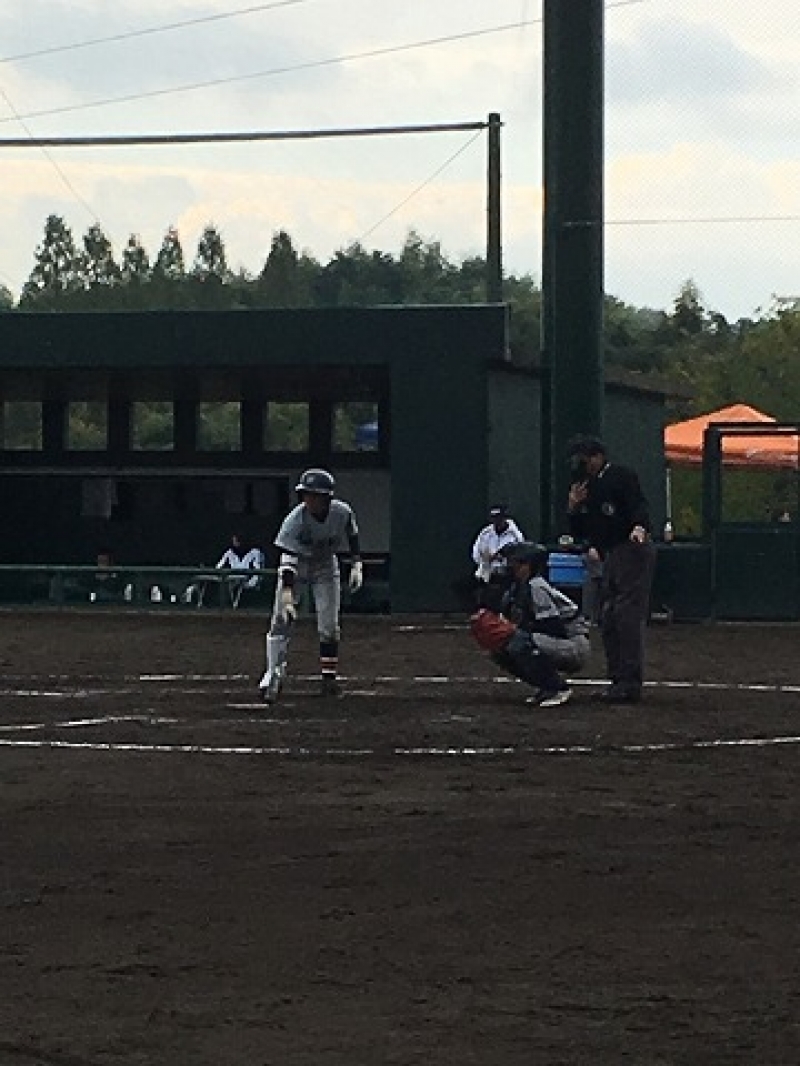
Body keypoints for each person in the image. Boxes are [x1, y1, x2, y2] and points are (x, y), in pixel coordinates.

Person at [258, 467, 363, 704]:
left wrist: (357, 563)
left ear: (327, 498)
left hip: (325, 565)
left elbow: (352, 533)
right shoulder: (294, 521)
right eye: (306, 495)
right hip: (298, 566)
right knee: (281, 619)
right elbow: (287, 563)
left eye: (315, 495)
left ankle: (329, 680)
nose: (310, 500)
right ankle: (273, 672)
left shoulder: (341, 512)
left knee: (329, 625)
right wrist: (287, 596)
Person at [566, 435, 656, 703]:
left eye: (585, 459)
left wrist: (639, 526)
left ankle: (629, 682)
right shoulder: (587, 487)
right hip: (610, 554)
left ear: (597, 456)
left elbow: (638, 506)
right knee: (609, 617)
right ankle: (617, 678)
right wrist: (573, 507)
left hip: (630, 549)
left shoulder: (620, 476)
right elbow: (580, 529)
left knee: (626, 616)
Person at [470, 541, 591, 707]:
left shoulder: (536, 586)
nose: (511, 567)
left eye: (515, 563)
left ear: (528, 565)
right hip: (557, 642)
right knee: (500, 649)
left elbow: (553, 626)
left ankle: (558, 689)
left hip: (573, 644)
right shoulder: (517, 588)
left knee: (518, 643)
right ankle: (545, 686)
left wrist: (519, 631)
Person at [471, 505, 525, 609]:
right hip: (487, 574)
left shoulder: (515, 535)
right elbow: (476, 554)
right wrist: (485, 558)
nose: (497, 521)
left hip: (507, 575)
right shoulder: (485, 533)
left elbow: (520, 555)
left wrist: (503, 559)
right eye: (494, 518)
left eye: (499, 518)